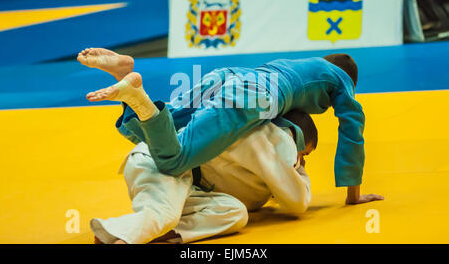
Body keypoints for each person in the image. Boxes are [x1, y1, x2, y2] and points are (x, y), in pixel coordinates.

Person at [78, 48, 384, 205]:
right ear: (347, 79)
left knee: (167, 125)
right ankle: (133, 86)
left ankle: (122, 76)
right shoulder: (340, 79)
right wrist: (353, 194)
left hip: (228, 76)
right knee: (175, 160)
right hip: (252, 94)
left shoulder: (303, 64)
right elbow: (352, 132)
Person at [90, 107, 317, 244]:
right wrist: (299, 168)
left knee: (235, 213)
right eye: (304, 154)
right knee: (165, 213)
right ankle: (119, 237)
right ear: (293, 138)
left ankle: (151, 233)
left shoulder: (265, 146)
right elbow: (298, 202)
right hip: (160, 165)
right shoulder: (270, 140)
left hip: (187, 182)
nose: (301, 162)